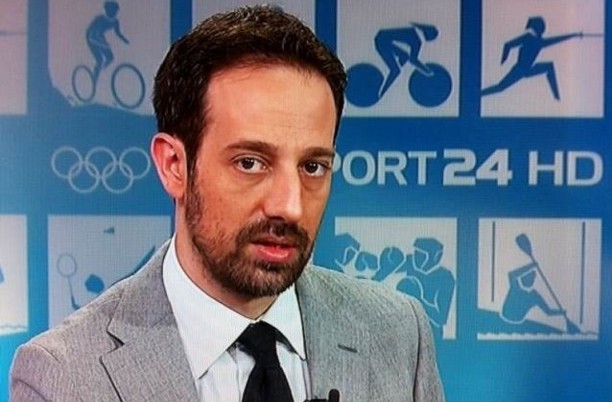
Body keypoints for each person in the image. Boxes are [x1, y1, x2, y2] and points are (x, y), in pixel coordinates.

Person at [10, 5, 444, 402]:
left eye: (313, 167)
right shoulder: (63, 376)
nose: (290, 206)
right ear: (175, 166)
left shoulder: (398, 333)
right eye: (250, 163)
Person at [85, 1, 130, 84]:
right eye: (112, 11)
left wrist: (125, 41)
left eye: (115, 12)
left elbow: (118, 33)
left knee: (110, 57)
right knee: (100, 60)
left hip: (99, 36)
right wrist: (104, 44)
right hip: (91, 37)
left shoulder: (115, 21)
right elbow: (93, 35)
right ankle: (94, 79)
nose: (114, 13)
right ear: (107, 11)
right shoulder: (99, 19)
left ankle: (101, 71)